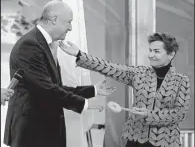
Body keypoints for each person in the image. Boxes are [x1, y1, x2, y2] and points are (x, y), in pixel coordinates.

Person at [4, 0, 115, 147]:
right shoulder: (30, 45)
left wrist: (93, 90)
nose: (70, 28)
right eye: (69, 22)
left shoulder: (42, 44)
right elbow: (47, 90)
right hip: (32, 134)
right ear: (54, 19)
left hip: (42, 131)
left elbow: (55, 87)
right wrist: (85, 104)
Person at [59, 32, 191, 147]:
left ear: (171, 54)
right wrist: (79, 54)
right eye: (150, 50)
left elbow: (179, 114)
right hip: (135, 140)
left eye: (156, 51)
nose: (150, 55)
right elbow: (109, 67)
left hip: (166, 142)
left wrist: (148, 114)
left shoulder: (181, 81)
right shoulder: (139, 73)